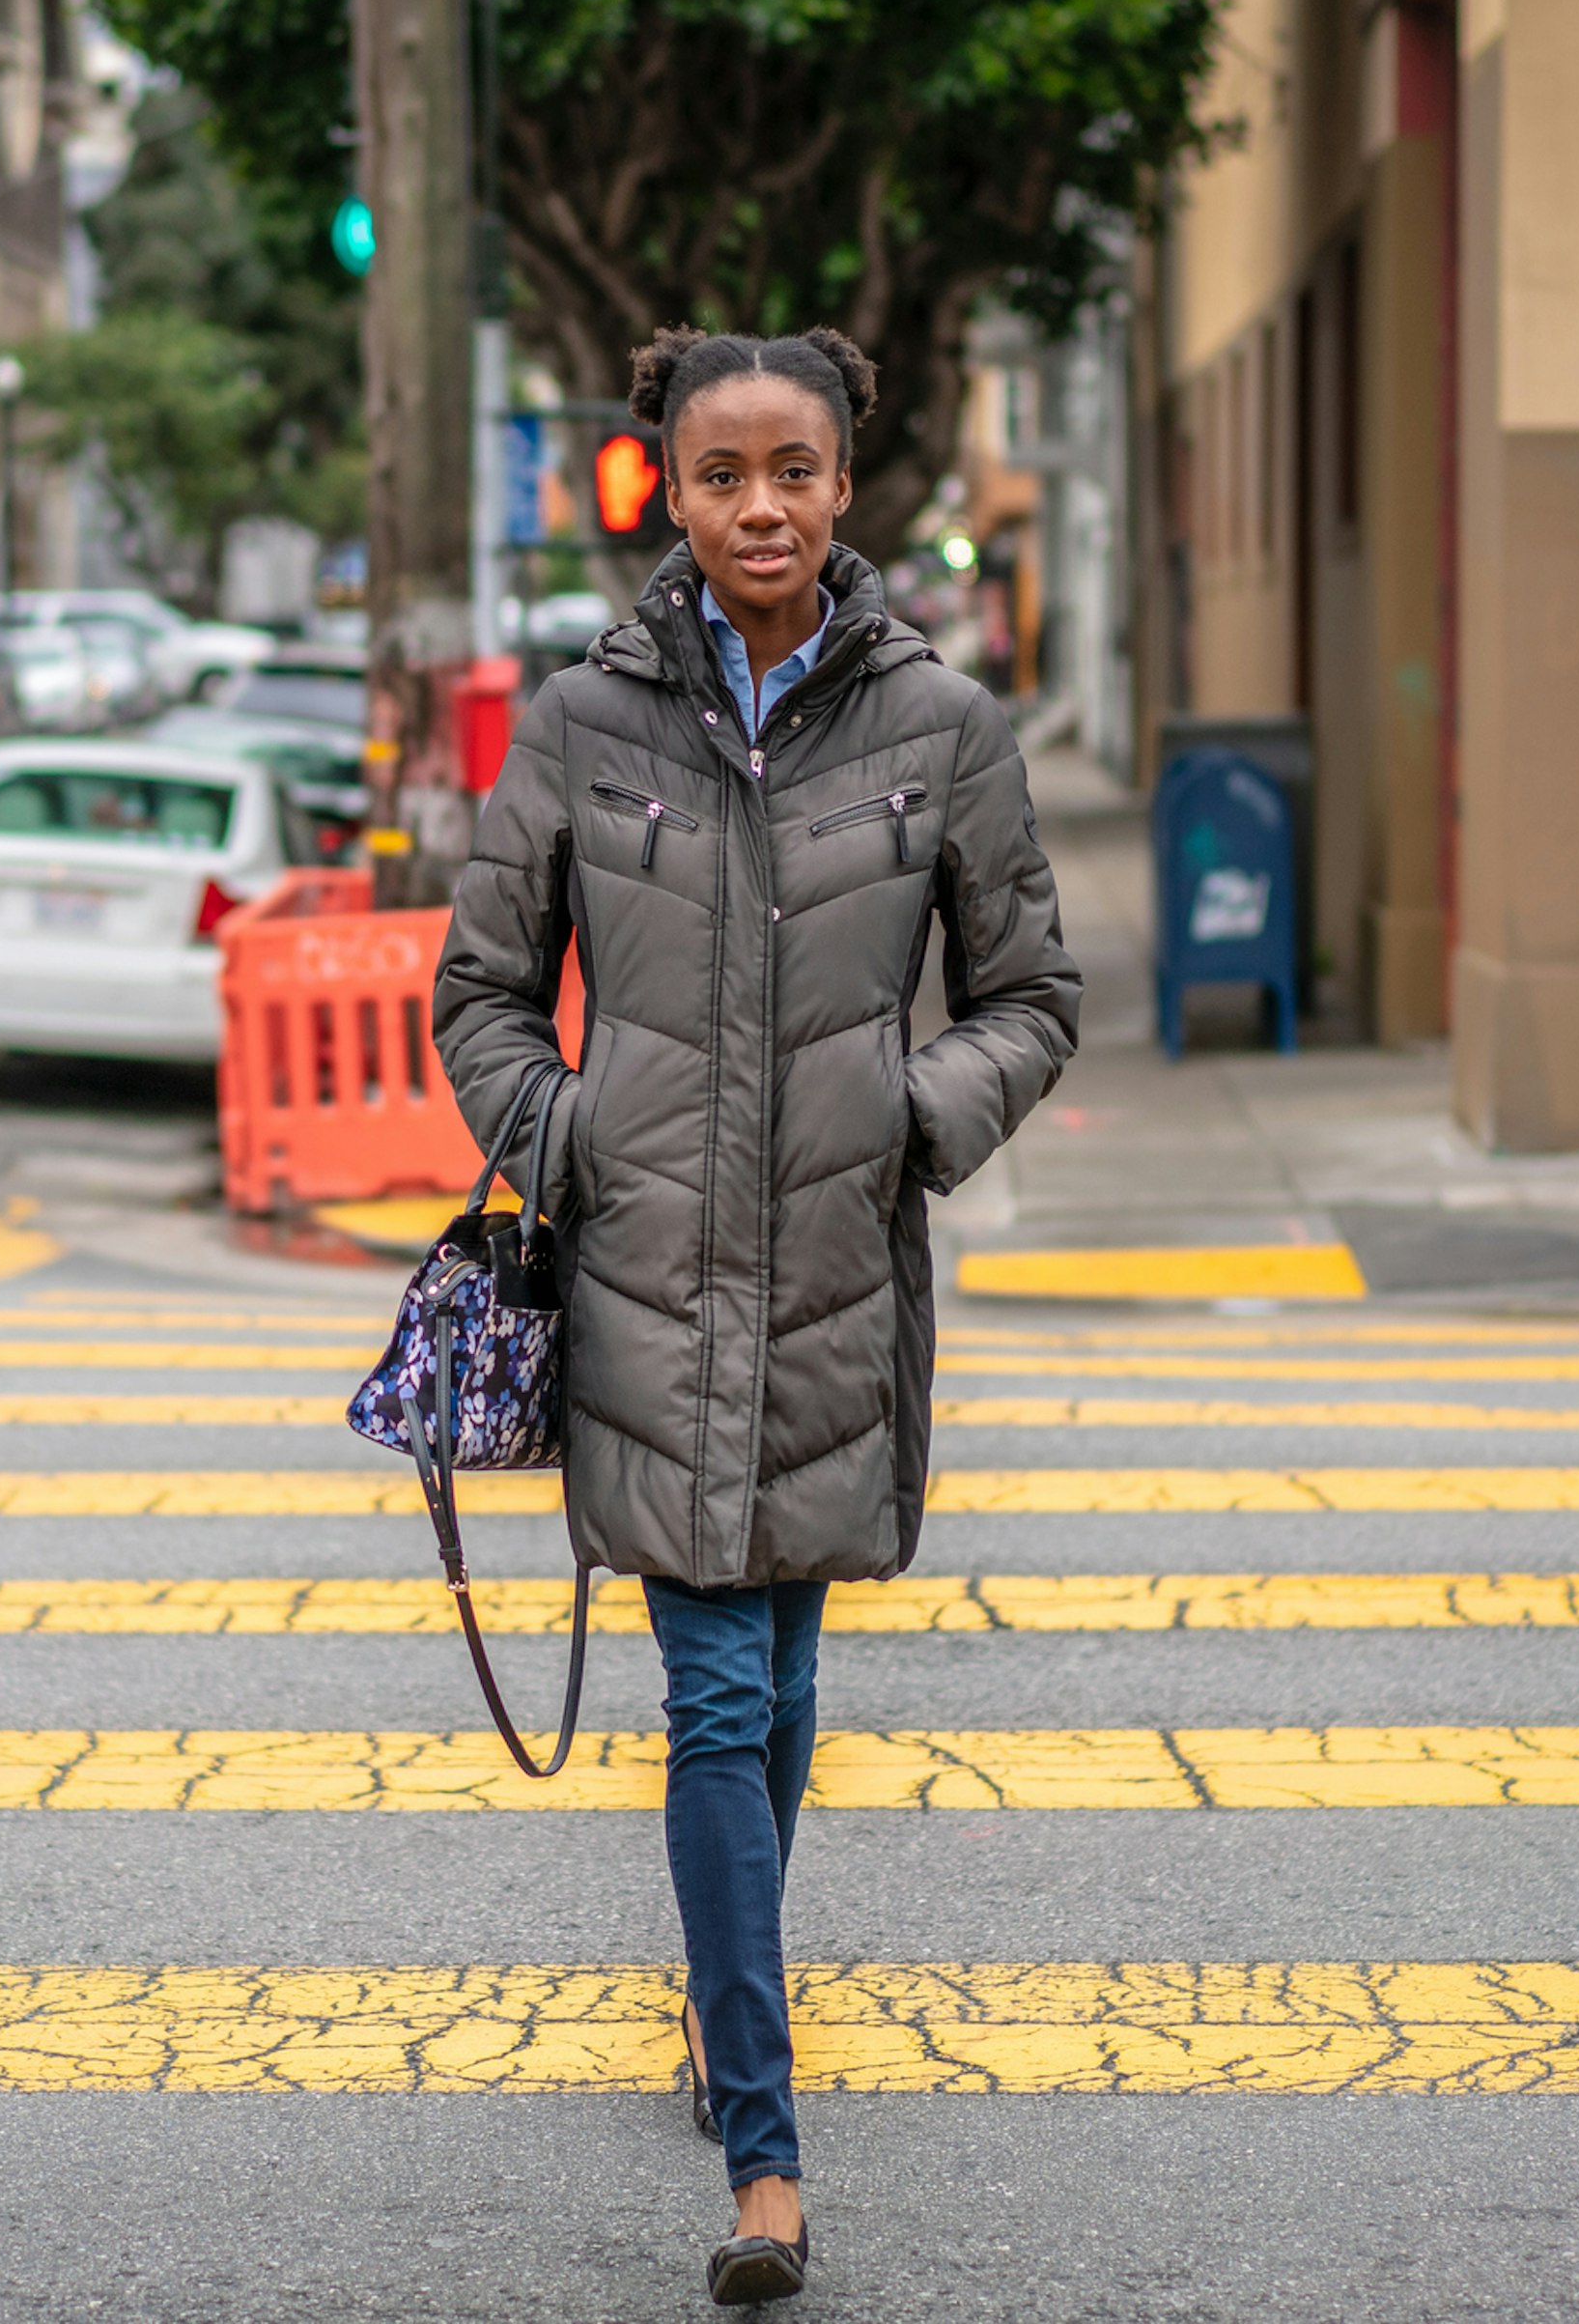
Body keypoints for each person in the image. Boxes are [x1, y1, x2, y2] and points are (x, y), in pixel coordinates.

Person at [434, 326, 1082, 2306]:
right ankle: (766, 2153)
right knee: (718, 1703)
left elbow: (1031, 996)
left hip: (834, 1286)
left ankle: (722, 2001)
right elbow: (476, 991)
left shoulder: (945, 729)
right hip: (645, 1282)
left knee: (786, 1703)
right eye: (723, 474)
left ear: (845, 479)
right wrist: (572, 1144)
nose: (762, 507)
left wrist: (914, 1116)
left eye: (794, 469)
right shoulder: (580, 725)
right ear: (668, 488)